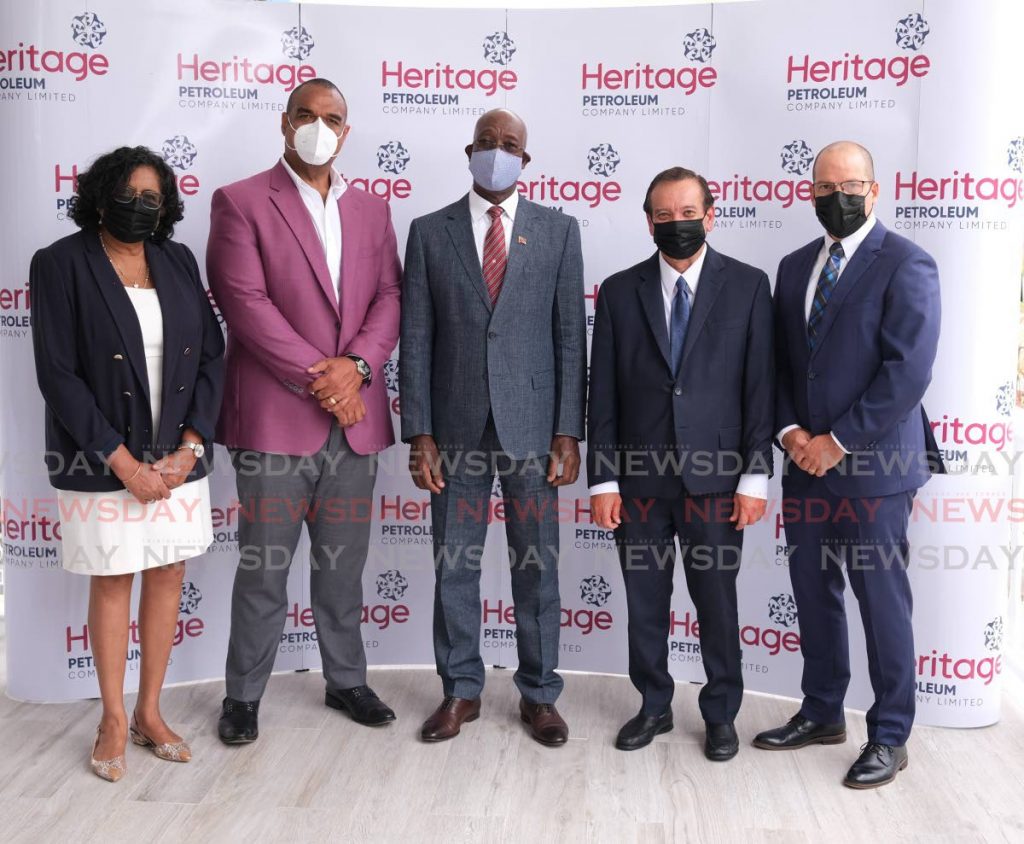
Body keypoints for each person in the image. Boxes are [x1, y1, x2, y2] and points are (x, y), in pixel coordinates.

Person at [207, 78, 401, 744]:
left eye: (333, 118)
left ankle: (346, 679)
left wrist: (360, 371)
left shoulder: (373, 210)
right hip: (274, 420)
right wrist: (326, 381)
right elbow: (245, 304)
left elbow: (389, 300)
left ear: (346, 132)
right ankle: (243, 697)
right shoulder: (239, 202)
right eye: (307, 115)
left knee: (342, 566)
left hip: (355, 423)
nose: (319, 126)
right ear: (285, 122)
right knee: (264, 567)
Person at [30, 146, 225, 781]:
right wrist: (123, 463)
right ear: (100, 194)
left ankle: (149, 711)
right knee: (113, 580)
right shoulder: (61, 263)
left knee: (167, 574)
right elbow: (58, 377)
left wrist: (190, 448)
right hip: (101, 459)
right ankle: (112, 717)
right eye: (129, 194)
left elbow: (210, 358)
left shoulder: (177, 258)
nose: (142, 206)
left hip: (176, 460)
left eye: (153, 197)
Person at [753, 141, 943, 789]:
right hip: (802, 464)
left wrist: (836, 439)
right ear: (810, 194)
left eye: (851, 184)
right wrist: (788, 432)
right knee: (813, 591)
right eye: (826, 186)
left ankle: (891, 735)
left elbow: (906, 373)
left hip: (875, 471)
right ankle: (823, 710)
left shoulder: (908, 264)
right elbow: (780, 364)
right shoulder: (792, 266)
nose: (839, 196)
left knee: (881, 601)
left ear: (875, 190)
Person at [400, 108, 586, 746]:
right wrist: (418, 432)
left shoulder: (559, 233)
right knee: (455, 564)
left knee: (537, 566)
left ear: (525, 160)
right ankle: (460, 691)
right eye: (487, 143)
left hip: (534, 429)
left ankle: (539, 695)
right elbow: (415, 338)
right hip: (453, 432)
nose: (497, 152)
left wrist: (568, 430)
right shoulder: (429, 232)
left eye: (510, 145)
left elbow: (569, 337)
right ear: (468, 151)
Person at [587, 167, 774, 759]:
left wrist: (753, 476)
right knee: (645, 601)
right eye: (663, 216)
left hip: (718, 484)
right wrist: (603, 479)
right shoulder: (618, 292)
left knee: (716, 602)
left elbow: (759, 388)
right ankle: (654, 706)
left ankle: (721, 713)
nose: (677, 225)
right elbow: (605, 395)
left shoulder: (748, 286)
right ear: (648, 222)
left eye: (687, 213)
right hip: (638, 484)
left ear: (710, 215)